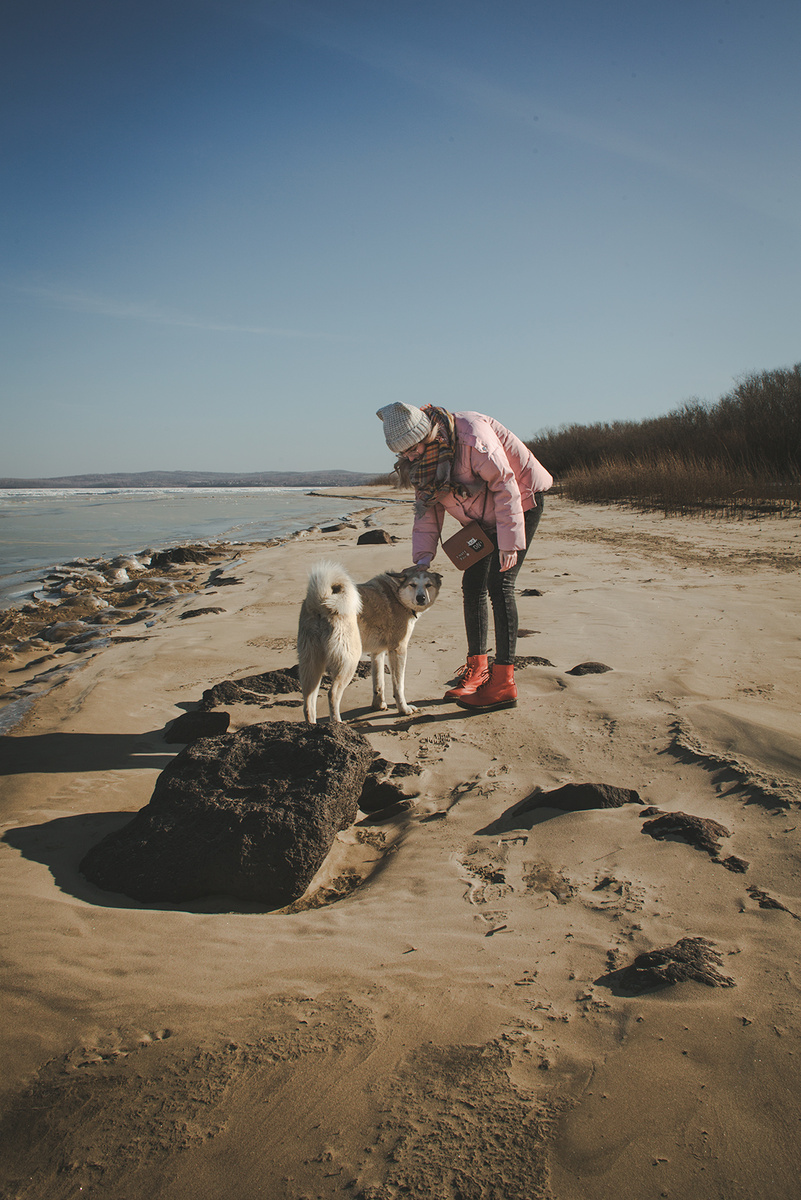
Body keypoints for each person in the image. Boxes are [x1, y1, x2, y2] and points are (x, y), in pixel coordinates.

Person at [376, 402, 553, 712]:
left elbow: (506, 485)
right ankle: (477, 670)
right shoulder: (421, 465)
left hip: (520, 502)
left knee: (499, 585)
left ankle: (503, 683)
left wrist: (509, 543)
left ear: (427, 433)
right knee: (472, 586)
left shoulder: (473, 439)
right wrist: (422, 559)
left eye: (413, 448)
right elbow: (426, 511)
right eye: (403, 454)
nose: (410, 457)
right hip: (480, 519)